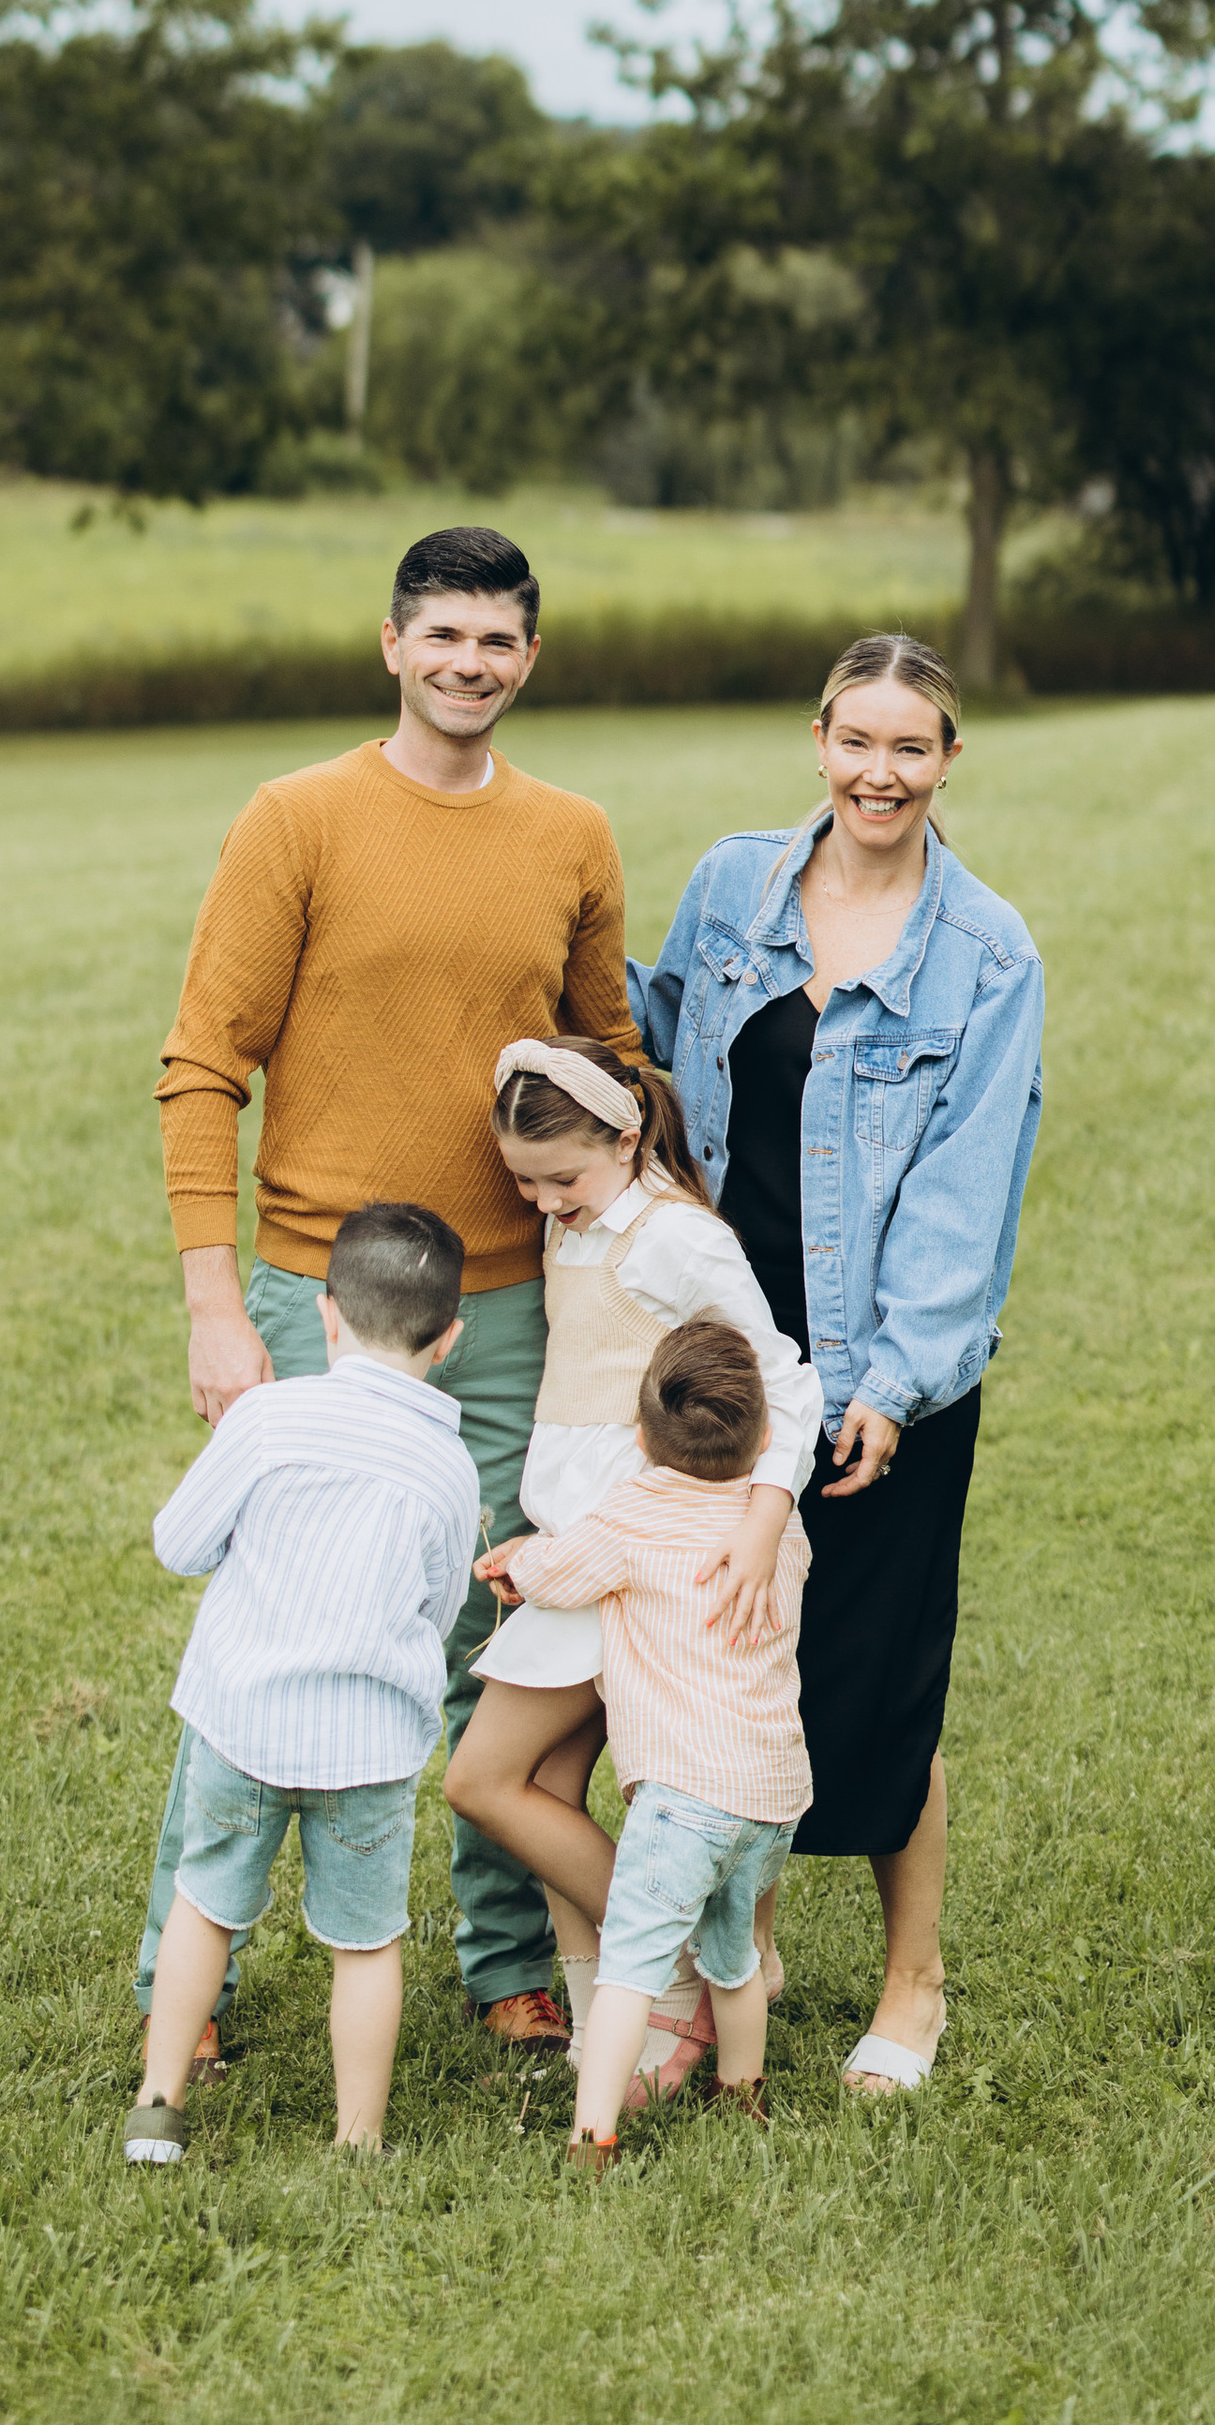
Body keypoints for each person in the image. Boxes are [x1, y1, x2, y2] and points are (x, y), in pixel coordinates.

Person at [137, 524, 641, 2066]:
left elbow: (613, 1072)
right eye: (444, 637)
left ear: (530, 659)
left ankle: (507, 1965)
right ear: (393, 645)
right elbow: (201, 1068)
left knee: (499, 1636)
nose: (469, 664)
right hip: (316, 1301)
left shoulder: (573, 838)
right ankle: (190, 1974)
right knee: (290, 1622)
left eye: (497, 641)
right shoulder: (297, 820)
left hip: (511, 1313)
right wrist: (221, 1309)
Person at [629, 628, 1043, 2095]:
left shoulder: (986, 954)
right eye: (856, 741)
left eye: (909, 747)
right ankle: (737, 1952)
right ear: (819, 740)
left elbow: (963, 1188)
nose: (880, 771)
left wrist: (891, 1387)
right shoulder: (734, 886)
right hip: (725, 1359)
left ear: (945, 762)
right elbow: (662, 1056)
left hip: (883, 1372)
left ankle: (913, 1985)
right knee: (718, 1655)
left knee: (874, 1683)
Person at [443, 1040, 820, 2099]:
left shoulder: (675, 1242)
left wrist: (761, 1519)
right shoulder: (582, 1220)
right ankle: (617, 2009)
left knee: (483, 1779)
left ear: (627, 1135)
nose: (541, 1200)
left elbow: (781, 1378)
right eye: (524, 1180)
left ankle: (689, 1964)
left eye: (561, 1177)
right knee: (549, 1784)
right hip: (579, 1552)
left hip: (635, 1556)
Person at [124, 1202, 480, 2163]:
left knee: (206, 1902)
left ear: (326, 1316)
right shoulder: (450, 1467)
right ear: (449, 1339)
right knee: (365, 1946)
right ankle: (358, 2143)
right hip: (366, 1748)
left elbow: (178, 1541)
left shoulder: (269, 1420)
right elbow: (441, 1612)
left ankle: (158, 2104)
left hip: (242, 1724)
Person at [498, 1316, 812, 2165]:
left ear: (640, 1437)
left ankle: (590, 2134)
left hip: (683, 1798)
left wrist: (513, 1565)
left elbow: (562, 1570)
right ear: (767, 1436)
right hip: (774, 1795)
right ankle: (742, 2093)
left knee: (629, 1969)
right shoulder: (777, 1530)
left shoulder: (637, 1511)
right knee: (735, 1954)